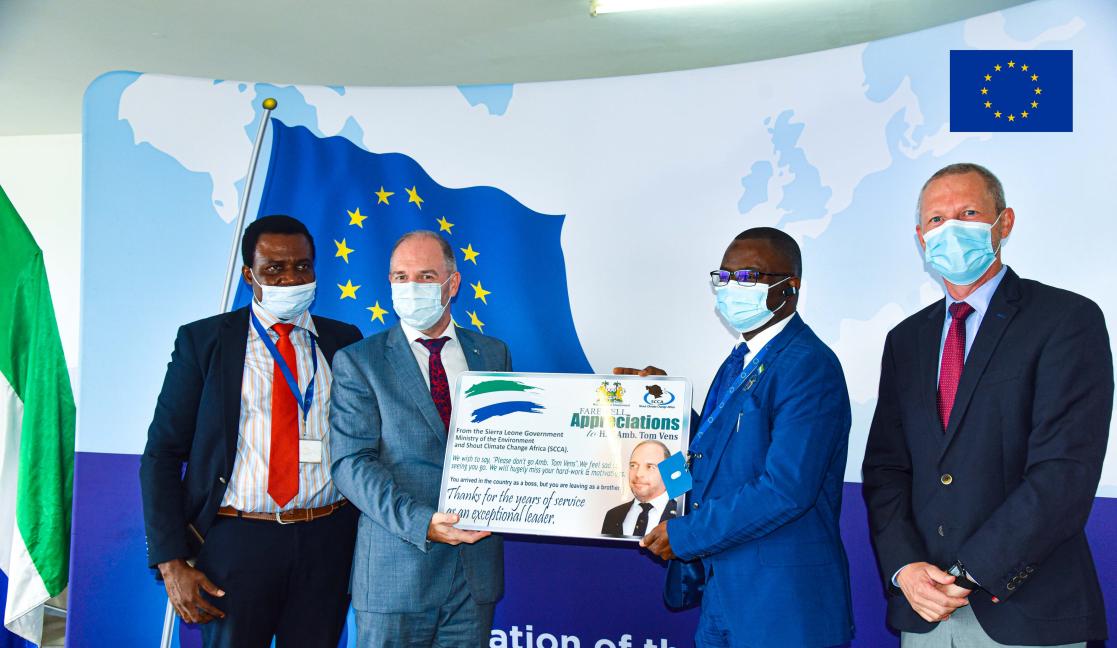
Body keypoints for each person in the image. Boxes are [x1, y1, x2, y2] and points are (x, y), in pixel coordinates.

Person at [862, 163, 1112, 647]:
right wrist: (905, 570)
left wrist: (968, 572)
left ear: (1005, 222)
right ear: (920, 237)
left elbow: (1063, 474)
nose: (950, 228)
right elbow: (887, 469)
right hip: (925, 614)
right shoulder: (906, 340)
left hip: (1025, 612)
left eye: (969, 212)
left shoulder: (1066, 320)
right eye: (936, 220)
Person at [616, 227, 854, 647]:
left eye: (748, 278)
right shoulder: (739, 361)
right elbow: (705, 463)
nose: (731, 289)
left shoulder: (809, 366)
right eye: (723, 278)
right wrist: (661, 413)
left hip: (783, 610)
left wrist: (686, 535)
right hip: (723, 597)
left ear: (789, 288)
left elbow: (785, 490)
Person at [139, 215, 363, 648]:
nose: (290, 278)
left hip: (327, 538)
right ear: (249, 275)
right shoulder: (204, 341)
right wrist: (170, 562)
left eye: (302, 266)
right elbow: (162, 454)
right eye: (274, 269)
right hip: (237, 542)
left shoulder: (343, 340)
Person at [330, 229, 511, 647]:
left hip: (473, 576)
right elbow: (350, 464)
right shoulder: (360, 362)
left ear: (453, 283)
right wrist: (422, 523)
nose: (411, 287)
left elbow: (511, 448)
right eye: (399, 277)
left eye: (426, 276)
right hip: (397, 573)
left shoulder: (493, 354)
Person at [601, 440, 680, 537]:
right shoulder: (613, 515)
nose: (638, 474)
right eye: (633, 465)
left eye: (650, 467)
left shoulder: (683, 516)